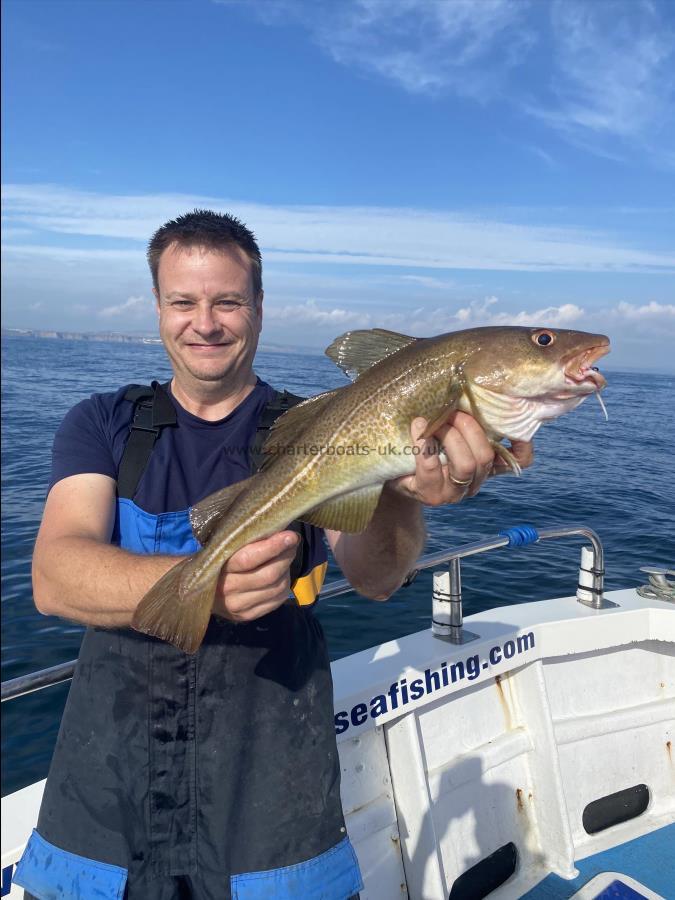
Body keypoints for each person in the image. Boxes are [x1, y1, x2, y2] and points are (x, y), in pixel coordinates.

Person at [14, 210, 532, 900]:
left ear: (258, 308)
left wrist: (402, 487)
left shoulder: (319, 426)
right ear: (159, 308)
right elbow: (53, 576)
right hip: (108, 794)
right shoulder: (105, 422)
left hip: (273, 794)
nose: (206, 322)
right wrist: (203, 585)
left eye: (227, 300)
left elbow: (376, 579)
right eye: (184, 302)